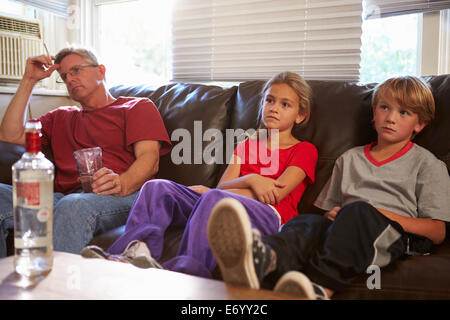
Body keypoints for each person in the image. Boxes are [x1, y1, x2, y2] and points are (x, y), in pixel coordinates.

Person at [207, 75, 450, 299]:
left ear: (420, 124)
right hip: (347, 223)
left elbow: (437, 231)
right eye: (384, 107)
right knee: (304, 223)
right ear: (374, 112)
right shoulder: (349, 159)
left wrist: (373, 213)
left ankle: (320, 287)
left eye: (404, 112)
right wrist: (334, 215)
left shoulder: (427, 164)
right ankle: (261, 260)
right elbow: (328, 213)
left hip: (397, 235)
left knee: (357, 212)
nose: (391, 117)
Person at [82, 72, 318, 278]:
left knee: (214, 199)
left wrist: (218, 193)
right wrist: (251, 179)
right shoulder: (247, 146)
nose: (274, 108)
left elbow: (274, 194)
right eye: (270, 100)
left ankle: (187, 271)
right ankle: (133, 252)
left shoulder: (304, 150)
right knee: (157, 187)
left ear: (300, 115)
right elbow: (224, 185)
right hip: (221, 201)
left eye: (285, 104)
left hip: (270, 215)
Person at [0, 46, 171, 257]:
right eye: (64, 76)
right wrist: (29, 80)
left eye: (76, 70)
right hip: (65, 197)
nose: (69, 79)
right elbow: (9, 136)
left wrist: (122, 183)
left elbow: (149, 158)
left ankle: (56, 290)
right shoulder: (60, 117)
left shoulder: (136, 107)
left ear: (101, 70)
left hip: (122, 195)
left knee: (73, 206)